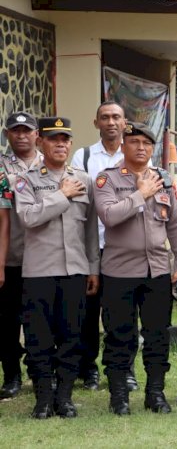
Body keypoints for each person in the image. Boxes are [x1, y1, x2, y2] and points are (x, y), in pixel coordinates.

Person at [94, 121, 177, 415]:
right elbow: (109, 216)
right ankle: (119, 395)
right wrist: (141, 194)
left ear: (153, 149)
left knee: (157, 335)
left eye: (146, 144)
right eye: (134, 142)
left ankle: (155, 393)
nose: (141, 148)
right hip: (119, 272)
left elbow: (175, 226)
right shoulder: (106, 180)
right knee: (119, 336)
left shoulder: (163, 179)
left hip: (157, 271)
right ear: (123, 146)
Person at [15, 117, 100, 418]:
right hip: (38, 272)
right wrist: (61, 195)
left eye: (65, 139)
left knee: (71, 336)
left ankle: (63, 397)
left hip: (75, 271)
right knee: (38, 338)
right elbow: (28, 217)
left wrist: (93, 268)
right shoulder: (26, 180)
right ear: (41, 143)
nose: (60, 144)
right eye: (53, 139)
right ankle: (42, 398)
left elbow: (90, 230)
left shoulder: (84, 180)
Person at [71, 100, 136, 391]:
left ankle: (125, 369)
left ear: (125, 123)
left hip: (123, 248)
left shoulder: (136, 154)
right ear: (96, 123)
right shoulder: (83, 157)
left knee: (122, 313)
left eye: (116, 118)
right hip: (90, 246)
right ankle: (89, 369)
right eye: (105, 118)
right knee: (87, 311)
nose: (111, 122)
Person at [0, 111, 39, 400]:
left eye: (27, 130)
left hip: (45, 258)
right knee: (7, 320)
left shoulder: (50, 162)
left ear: (37, 134)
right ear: (7, 135)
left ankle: (38, 371)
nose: (22, 135)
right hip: (12, 256)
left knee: (40, 319)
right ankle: (11, 375)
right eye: (16, 131)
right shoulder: (1, 169)